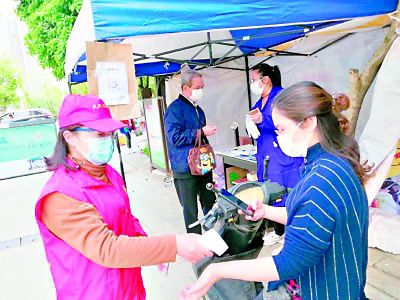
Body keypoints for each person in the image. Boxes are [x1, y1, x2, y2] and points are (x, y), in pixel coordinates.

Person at [180, 81, 369, 300]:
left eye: (282, 129)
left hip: (321, 289)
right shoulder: (330, 160)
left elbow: (288, 263)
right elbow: (312, 216)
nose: (280, 137)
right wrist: (266, 212)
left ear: (308, 122)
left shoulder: (322, 178)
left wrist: (215, 271)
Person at [35, 94, 213, 300]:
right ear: (70, 137)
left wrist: (150, 248)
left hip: (128, 287)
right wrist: (173, 245)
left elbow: (125, 217)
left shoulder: (108, 173)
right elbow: (105, 248)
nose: (107, 140)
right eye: (99, 134)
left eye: (109, 133)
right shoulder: (60, 195)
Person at [247, 64, 303, 246]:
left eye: (253, 80)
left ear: (265, 80)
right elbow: (257, 122)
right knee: (272, 193)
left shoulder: (282, 96)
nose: (252, 84)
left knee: (286, 192)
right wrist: (251, 122)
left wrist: (262, 119)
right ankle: (279, 231)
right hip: (266, 154)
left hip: (282, 154)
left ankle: (291, 233)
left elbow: (289, 120)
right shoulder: (260, 101)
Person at [164, 66, 217, 234]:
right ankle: (196, 246)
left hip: (203, 166)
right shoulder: (175, 109)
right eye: (197, 88)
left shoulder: (198, 109)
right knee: (190, 210)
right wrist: (201, 132)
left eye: (202, 88)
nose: (201, 91)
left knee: (210, 203)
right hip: (184, 168)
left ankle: (213, 237)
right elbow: (174, 138)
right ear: (185, 88)